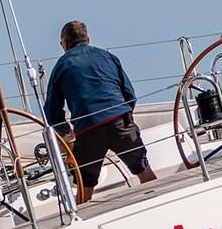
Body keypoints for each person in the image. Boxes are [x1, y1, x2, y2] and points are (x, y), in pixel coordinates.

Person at [45, 20, 157, 204]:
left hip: (88, 130)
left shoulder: (61, 67)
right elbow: (129, 94)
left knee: (85, 189)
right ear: (87, 39)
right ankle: (159, 205)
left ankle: (80, 226)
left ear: (64, 44)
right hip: (118, 120)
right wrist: (126, 117)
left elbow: (52, 111)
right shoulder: (107, 57)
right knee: (145, 172)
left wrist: (67, 134)